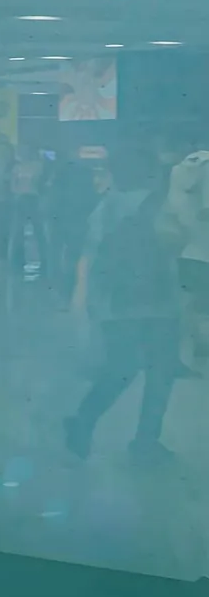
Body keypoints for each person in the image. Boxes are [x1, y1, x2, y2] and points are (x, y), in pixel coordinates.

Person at [66, 146, 182, 463]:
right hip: (160, 303)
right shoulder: (162, 205)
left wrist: (85, 299)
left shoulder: (105, 207)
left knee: (121, 369)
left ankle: (83, 419)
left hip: (117, 304)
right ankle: (145, 441)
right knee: (161, 372)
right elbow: (175, 243)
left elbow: (89, 256)